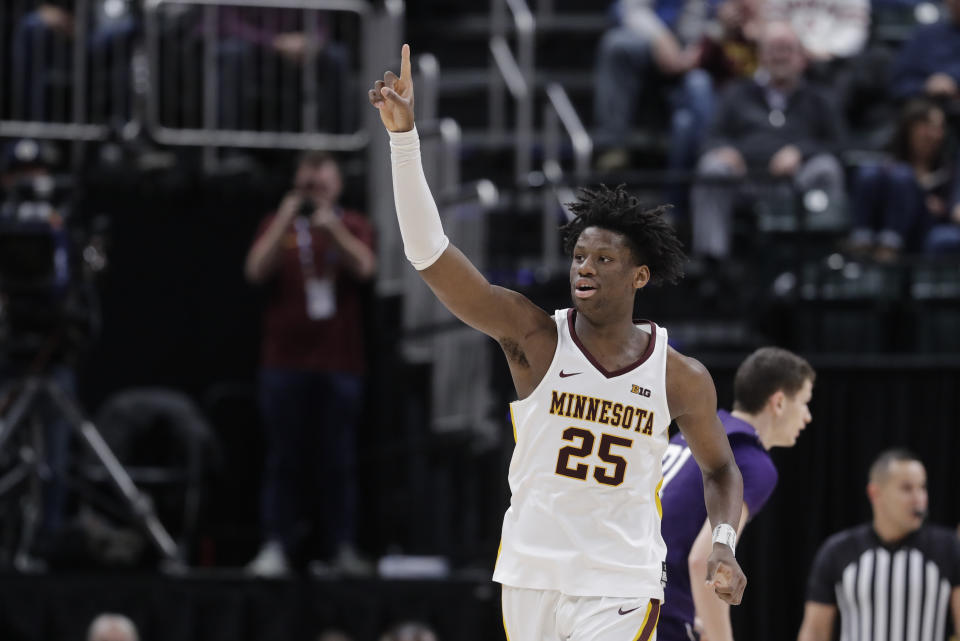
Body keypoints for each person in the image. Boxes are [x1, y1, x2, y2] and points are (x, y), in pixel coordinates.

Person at [370, 44, 747, 641]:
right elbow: (430, 256)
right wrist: (404, 140)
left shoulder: (679, 375)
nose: (584, 267)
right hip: (530, 570)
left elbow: (721, 468)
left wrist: (723, 543)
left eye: (603, 257)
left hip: (621, 579)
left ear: (639, 276)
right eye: (578, 255)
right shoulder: (534, 335)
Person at [244, 151, 376, 577]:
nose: (314, 179)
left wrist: (332, 228)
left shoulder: (352, 222)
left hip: (339, 364)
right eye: (308, 171)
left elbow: (366, 268)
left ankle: (339, 547)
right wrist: (286, 218)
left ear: (337, 183)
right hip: (284, 363)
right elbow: (255, 272)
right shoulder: (278, 225)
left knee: (337, 462)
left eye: (323, 171)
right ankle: (277, 546)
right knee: (284, 460)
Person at [658, 347, 815, 641]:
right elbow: (706, 558)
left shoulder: (701, 432)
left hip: (623, 593)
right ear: (779, 402)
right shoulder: (753, 462)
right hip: (664, 609)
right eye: (805, 403)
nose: (807, 416)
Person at [690, 20, 846, 259]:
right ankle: (712, 264)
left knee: (827, 168)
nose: (780, 56)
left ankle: (819, 260)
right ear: (761, 55)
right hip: (745, 181)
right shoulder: (737, 92)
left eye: (787, 48)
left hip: (796, 182)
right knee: (712, 168)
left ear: (801, 57)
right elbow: (711, 138)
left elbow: (838, 145)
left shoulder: (818, 98)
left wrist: (800, 152)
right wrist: (725, 150)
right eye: (773, 48)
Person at [796, 449, 960, 641]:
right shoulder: (839, 550)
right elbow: (815, 632)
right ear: (875, 493)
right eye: (907, 488)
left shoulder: (948, 547)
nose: (919, 499)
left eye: (922, 488)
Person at [847, 98, 960, 261]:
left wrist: (942, 207)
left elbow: (953, 206)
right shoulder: (888, 161)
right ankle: (861, 242)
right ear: (910, 128)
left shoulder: (947, 167)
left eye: (939, 128)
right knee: (870, 172)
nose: (934, 134)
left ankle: (889, 246)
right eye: (926, 127)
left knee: (903, 175)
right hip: (882, 221)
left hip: (923, 227)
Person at [889, 0, 960, 104]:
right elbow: (899, 85)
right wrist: (925, 87)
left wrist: (953, 79)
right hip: (925, 107)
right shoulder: (924, 35)